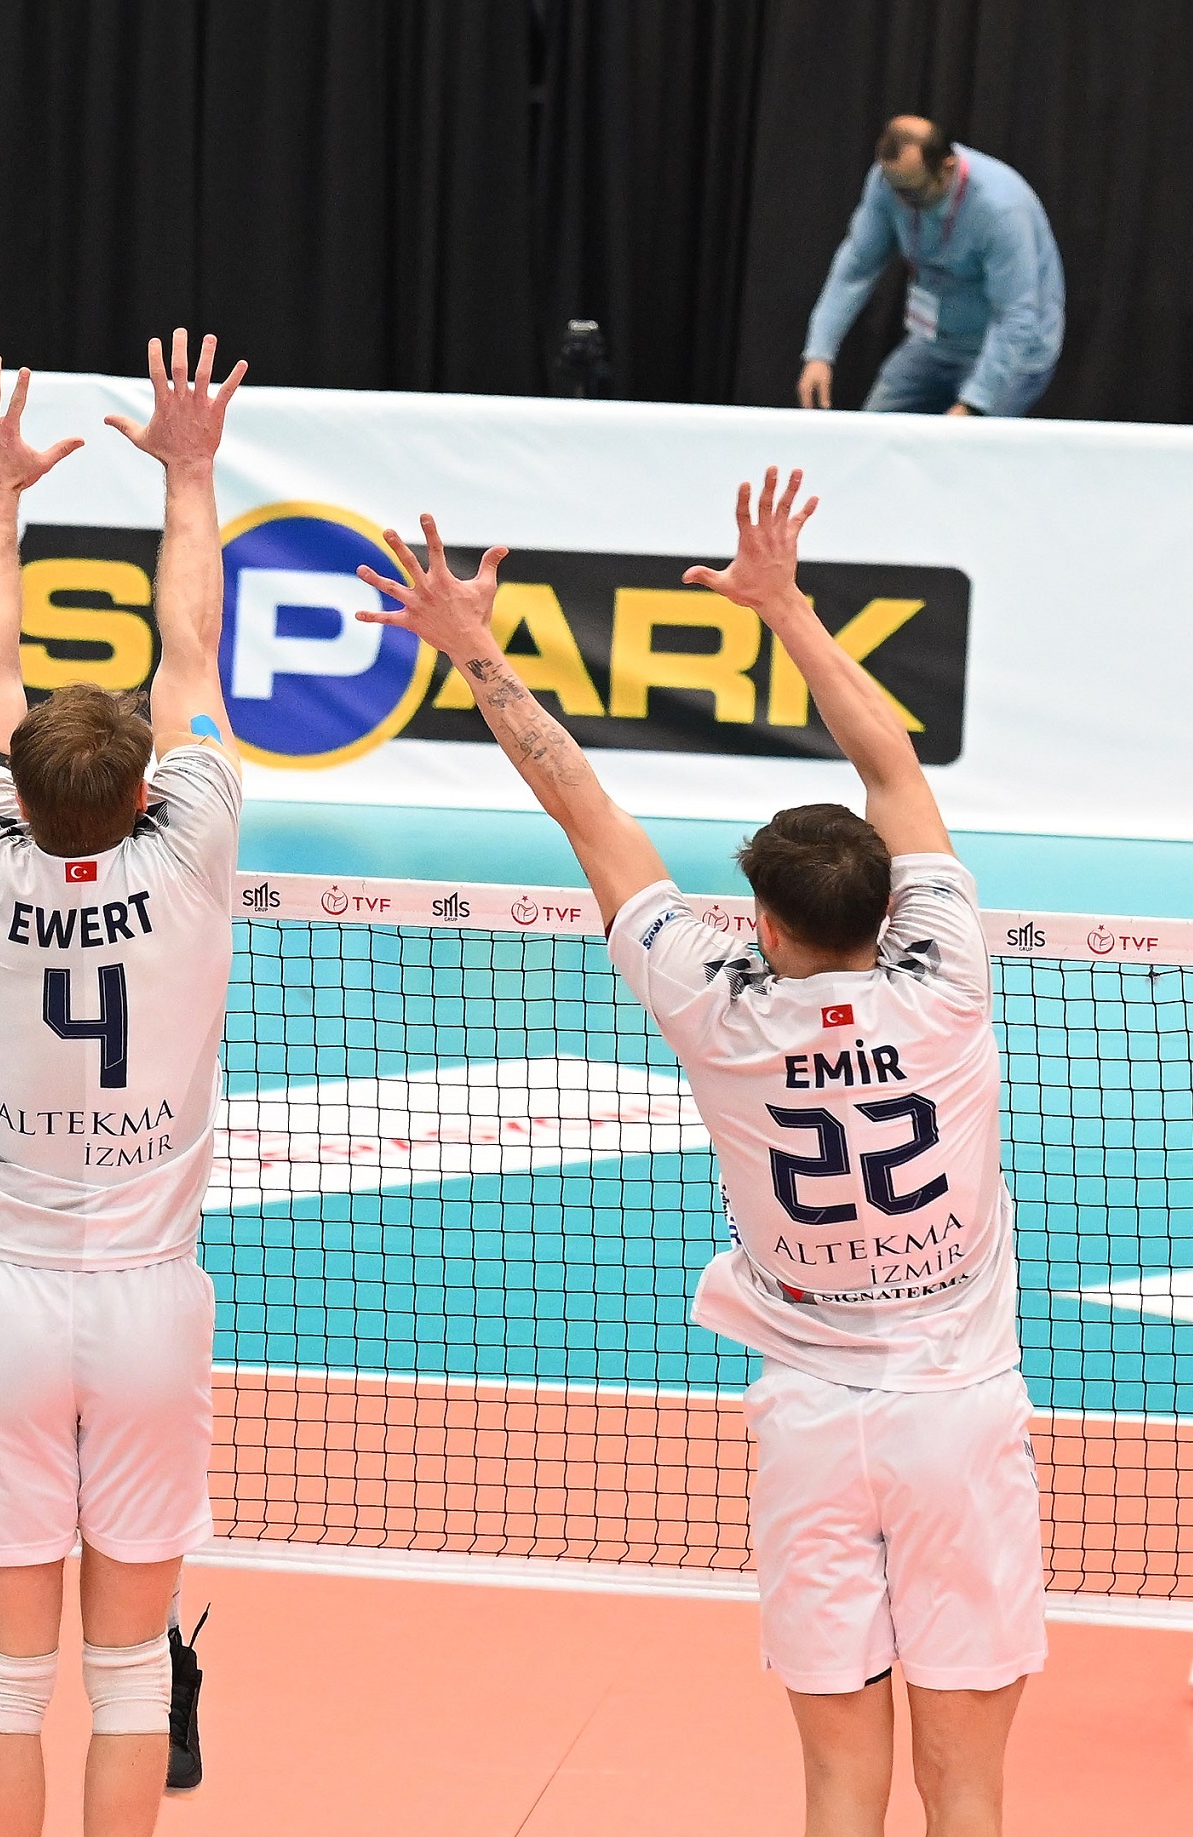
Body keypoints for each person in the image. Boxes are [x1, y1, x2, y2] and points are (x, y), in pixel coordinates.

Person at [356, 468, 1041, 1836]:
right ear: (889, 906)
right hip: (960, 1421)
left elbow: (585, 810)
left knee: (837, 1783)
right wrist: (789, 610)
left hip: (812, 1429)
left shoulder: (715, 1008)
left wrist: (476, 648)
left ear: (766, 926)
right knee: (967, 1789)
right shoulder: (949, 980)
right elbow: (894, 771)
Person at [0, 331, 243, 1837]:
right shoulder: (190, 854)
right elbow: (192, 656)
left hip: (5, 1300)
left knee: (6, 1675)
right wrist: (189, 474)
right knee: (126, 1675)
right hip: (145, 1307)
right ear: (139, 792)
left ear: (22, 791)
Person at [797, 116, 1064, 419]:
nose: (901, 201)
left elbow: (1016, 316)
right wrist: (819, 352)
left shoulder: (1000, 210)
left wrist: (974, 404)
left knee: (963, 447)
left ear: (947, 168)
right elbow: (856, 268)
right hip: (937, 343)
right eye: (893, 187)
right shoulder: (890, 180)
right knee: (875, 432)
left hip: (1012, 354)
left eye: (912, 192)